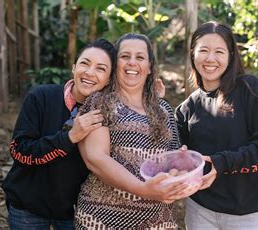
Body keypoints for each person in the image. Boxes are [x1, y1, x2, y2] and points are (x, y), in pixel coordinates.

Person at [74, 33, 191, 229]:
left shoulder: (164, 109)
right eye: (125, 56)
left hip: (158, 221)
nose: (132, 63)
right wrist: (143, 190)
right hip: (103, 219)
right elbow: (95, 159)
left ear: (150, 67)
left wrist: (181, 167)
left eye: (140, 57)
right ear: (115, 64)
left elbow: (172, 160)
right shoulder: (100, 102)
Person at [1, 39, 117, 229]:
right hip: (28, 210)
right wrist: (70, 137)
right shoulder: (41, 97)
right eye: (85, 63)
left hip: (73, 212)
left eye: (100, 68)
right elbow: (19, 152)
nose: (89, 72)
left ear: (109, 79)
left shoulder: (107, 115)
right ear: (73, 68)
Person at [175, 21, 258, 229]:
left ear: (231, 56)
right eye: (203, 50)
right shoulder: (187, 108)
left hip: (247, 213)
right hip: (200, 211)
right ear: (193, 54)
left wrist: (220, 164)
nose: (210, 58)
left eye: (219, 52)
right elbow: (182, 155)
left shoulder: (250, 89)